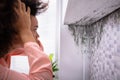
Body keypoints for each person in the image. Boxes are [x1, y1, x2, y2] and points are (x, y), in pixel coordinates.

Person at [0, 0, 53, 80]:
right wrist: (25, 32)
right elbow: (44, 77)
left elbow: (37, 49)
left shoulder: (5, 54)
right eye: (34, 29)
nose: (38, 36)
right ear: (15, 33)